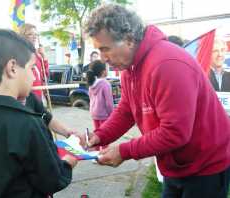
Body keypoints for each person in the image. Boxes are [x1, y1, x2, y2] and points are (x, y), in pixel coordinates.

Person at [83, 4, 230, 198]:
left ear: (128, 39)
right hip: (175, 164)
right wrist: (99, 136)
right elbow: (127, 109)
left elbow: (175, 132)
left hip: (206, 165)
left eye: (105, 49)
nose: (103, 59)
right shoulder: (130, 68)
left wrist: (125, 151)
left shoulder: (167, 64)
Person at [0, 29, 77, 197]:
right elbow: (52, 180)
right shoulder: (28, 123)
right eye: (32, 68)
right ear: (12, 68)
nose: (33, 77)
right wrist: (69, 161)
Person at [19, 23, 49, 100]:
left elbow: (45, 76)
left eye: (36, 34)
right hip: (27, 97)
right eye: (30, 34)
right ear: (23, 36)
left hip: (38, 96)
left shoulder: (37, 54)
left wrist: (44, 56)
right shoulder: (19, 53)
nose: (34, 37)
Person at [87, 60, 113, 130]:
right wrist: (112, 115)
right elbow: (109, 104)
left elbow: (90, 98)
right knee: (105, 136)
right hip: (104, 116)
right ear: (103, 71)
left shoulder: (91, 84)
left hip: (94, 114)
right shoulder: (105, 84)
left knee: (98, 135)